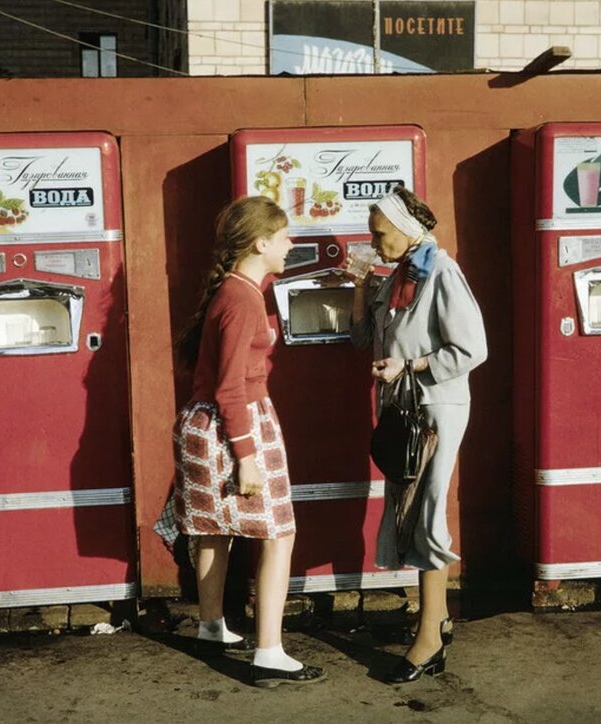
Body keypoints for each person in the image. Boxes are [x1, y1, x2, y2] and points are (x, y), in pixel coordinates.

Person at [171, 195, 325, 688]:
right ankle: (269, 653)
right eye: (283, 237)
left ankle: (211, 627)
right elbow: (230, 388)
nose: (291, 245)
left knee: (214, 530)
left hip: (202, 423)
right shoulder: (242, 300)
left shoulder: (235, 290)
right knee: (279, 534)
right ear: (260, 243)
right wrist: (247, 458)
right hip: (235, 425)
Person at [348, 187, 487, 684]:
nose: (373, 242)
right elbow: (362, 339)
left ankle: (428, 639)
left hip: (436, 409)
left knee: (427, 515)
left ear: (406, 230)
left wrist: (409, 365)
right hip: (406, 411)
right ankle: (438, 619)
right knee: (410, 511)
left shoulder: (441, 272)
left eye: (378, 234)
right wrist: (360, 285)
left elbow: (472, 349)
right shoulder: (400, 275)